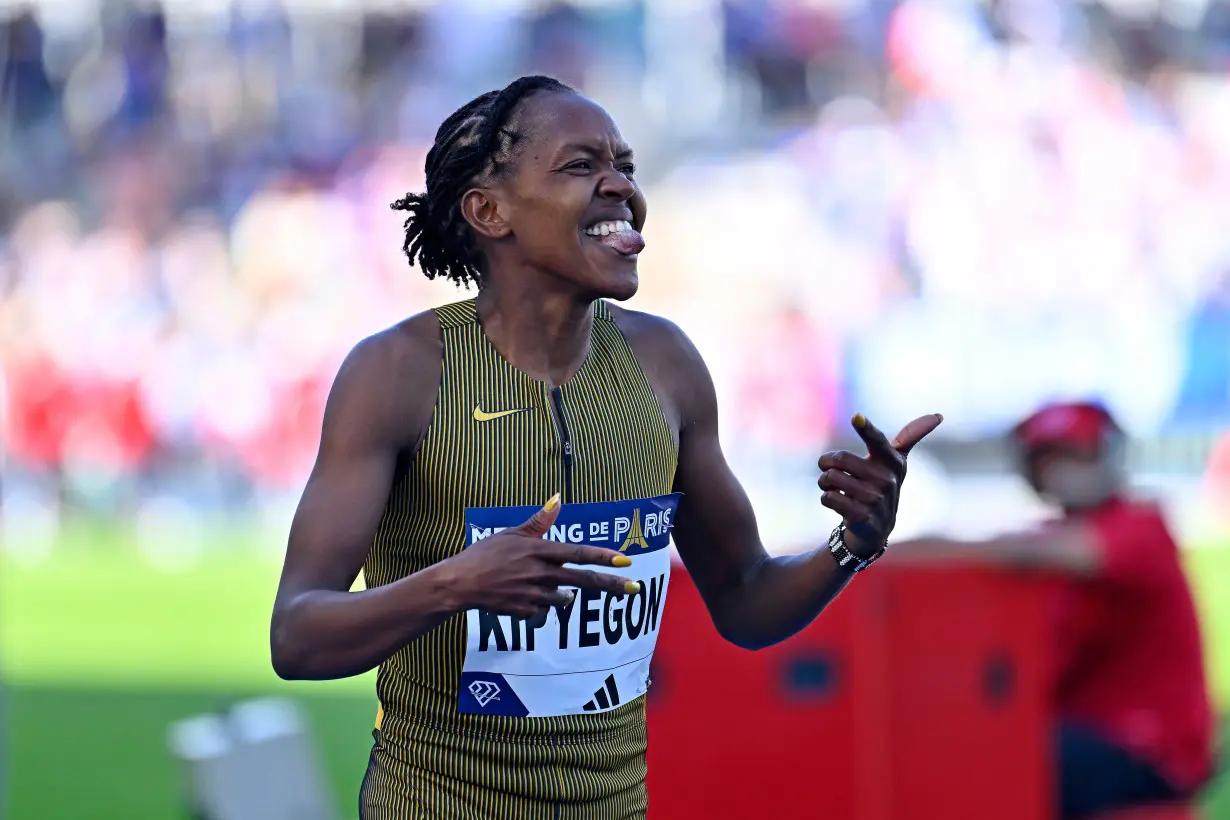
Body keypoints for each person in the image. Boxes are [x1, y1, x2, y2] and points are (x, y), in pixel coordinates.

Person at [268, 74, 943, 820]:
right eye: (580, 165)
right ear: (489, 211)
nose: (620, 186)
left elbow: (748, 602)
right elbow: (298, 636)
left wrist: (853, 544)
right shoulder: (398, 373)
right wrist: (457, 583)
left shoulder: (666, 365)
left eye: (624, 165)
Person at [894, 400, 1215, 819]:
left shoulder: (1139, 526)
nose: (1068, 469)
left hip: (1149, 752)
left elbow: (1044, 551)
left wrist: (906, 554)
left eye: (1079, 453)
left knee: (994, 759)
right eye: (1053, 457)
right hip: (1089, 742)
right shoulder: (1053, 543)